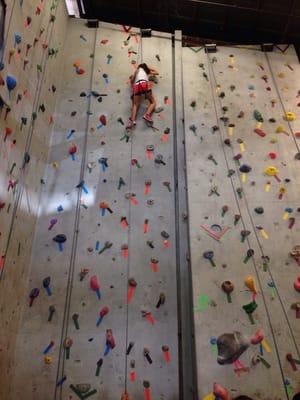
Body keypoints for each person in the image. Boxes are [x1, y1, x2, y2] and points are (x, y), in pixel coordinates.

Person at [126, 63, 159, 130]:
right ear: (145, 67)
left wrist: (134, 76)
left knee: (135, 104)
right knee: (153, 102)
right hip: (144, 84)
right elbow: (157, 72)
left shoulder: (137, 71)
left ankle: (132, 121)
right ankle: (147, 114)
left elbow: (132, 81)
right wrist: (148, 68)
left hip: (136, 85)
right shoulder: (146, 72)